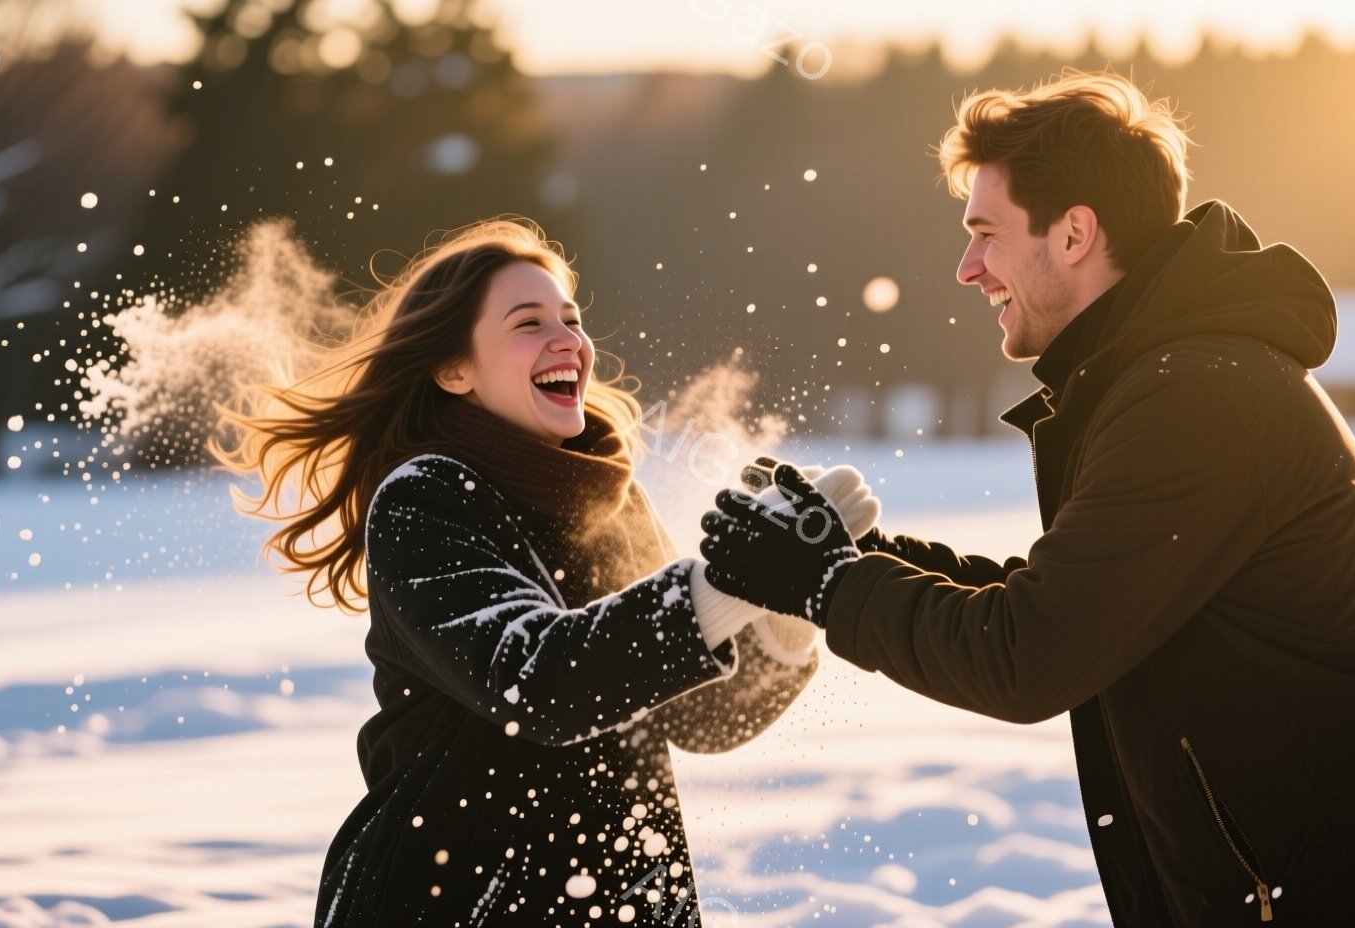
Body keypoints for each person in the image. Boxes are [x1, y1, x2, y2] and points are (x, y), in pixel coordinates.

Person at [699, 71, 1355, 926]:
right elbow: (1076, 598)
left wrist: (828, 585)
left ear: (1074, 234)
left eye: (986, 234)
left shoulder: (1195, 399)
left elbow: (1030, 652)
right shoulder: (1162, 375)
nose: (967, 268)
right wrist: (854, 557)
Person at [213, 218, 879, 926]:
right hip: (451, 900)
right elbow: (537, 681)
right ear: (454, 369)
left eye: (572, 320)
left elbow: (697, 718)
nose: (569, 341)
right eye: (528, 323)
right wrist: (737, 579)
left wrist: (782, 608)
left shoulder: (612, 502)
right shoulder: (424, 500)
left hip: (621, 902)